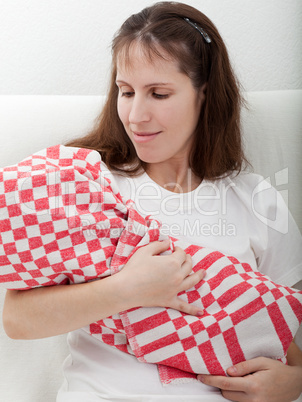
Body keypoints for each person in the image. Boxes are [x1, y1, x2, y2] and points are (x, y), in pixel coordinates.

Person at [2, 2, 302, 401]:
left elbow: (279, 325)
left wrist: (295, 383)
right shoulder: (90, 184)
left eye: (158, 93)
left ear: (205, 94)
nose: (135, 115)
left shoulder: (255, 198)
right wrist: (128, 289)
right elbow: (18, 320)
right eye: (126, 92)